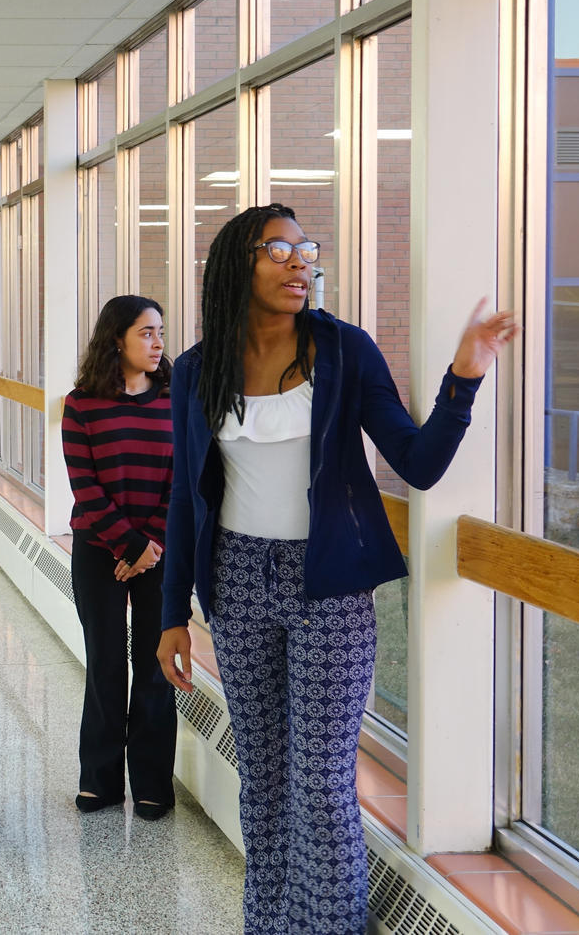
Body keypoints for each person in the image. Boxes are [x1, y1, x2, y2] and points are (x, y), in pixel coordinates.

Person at [156, 203, 515, 935]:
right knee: (263, 779)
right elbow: (184, 499)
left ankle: (331, 927)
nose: (300, 262)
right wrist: (172, 616)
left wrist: (465, 376)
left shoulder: (344, 352)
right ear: (236, 265)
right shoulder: (196, 369)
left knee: (319, 785)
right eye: (278, 248)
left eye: (306, 249)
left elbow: (417, 462)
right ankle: (271, 924)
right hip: (237, 584)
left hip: (330, 589)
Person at [61, 294, 176, 819]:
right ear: (117, 340)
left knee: (154, 668)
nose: (157, 343)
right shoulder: (80, 403)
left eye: (159, 332)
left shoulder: (178, 399)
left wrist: (150, 547)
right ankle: (99, 780)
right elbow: (84, 487)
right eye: (145, 333)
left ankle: (152, 783)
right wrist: (131, 546)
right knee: (105, 664)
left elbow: (185, 482)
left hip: (161, 550)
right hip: (99, 548)